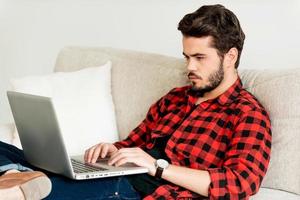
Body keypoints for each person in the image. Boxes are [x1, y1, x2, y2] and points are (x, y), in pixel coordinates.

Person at [0, 4, 271, 200]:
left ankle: (20, 180)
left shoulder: (247, 114)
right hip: (119, 171)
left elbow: (240, 183)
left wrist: (158, 167)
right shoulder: (175, 99)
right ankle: (21, 173)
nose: (189, 66)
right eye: (187, 56)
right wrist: (111, 149)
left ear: (230, 56)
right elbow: (132, 145)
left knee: (33, 192)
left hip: (140, 187)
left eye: (199, 57)